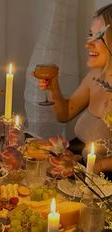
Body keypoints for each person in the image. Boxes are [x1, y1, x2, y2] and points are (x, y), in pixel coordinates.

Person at [35, 4, 112, 174]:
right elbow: (65, 114)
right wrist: (54, 87)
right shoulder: (94, 77)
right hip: (83, 171)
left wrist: (96, 167)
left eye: (99, 37)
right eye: (90, 35)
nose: (88, 44)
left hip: (103, 185)